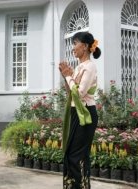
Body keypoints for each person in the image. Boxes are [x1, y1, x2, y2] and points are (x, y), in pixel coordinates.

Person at [59, 32, 100, 189]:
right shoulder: (79, 67)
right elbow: (70, 93)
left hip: (86, 114)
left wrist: (69, 77)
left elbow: (80, 93)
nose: (73, 48)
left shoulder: (90, 67)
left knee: (77, 156)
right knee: (71, 154)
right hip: (77, 113)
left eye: (75, 43)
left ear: (84, 46)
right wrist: (66, 77)